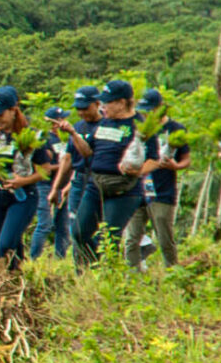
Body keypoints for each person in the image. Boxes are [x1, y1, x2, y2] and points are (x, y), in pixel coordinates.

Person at [77, 80, 146, 265]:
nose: (103, 106)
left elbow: (153, 158)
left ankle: (108, 277)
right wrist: (72, 134)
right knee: (79, 231)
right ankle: (93, 268)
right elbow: (88, 150)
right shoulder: (104, 122)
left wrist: (138, 170)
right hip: (96, 184)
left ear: (122, 103)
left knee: (109, 238)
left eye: (107, 102)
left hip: (123, 190)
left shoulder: (139, 124)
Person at [0, 86, 40, 272]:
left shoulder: (29, 135)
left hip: (22, 195)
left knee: (5, 243)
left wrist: (22, 181)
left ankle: (14, 274)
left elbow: (45, 169)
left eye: (0, 115)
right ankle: (0, 284)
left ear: (13, 111)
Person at [130, 89, 190, 270]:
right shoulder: (139, 127)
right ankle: (133, 275)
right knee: (132, 238)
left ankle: (171, 272)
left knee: (164, 237)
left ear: (161, 108)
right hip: (137, 189)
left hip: (163, 190)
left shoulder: (176, 129)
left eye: (150, 110)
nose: (146, 114)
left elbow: (186, 159)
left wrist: (175, 166)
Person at [56, 85, 103, 264]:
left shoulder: (104, 126)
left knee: (94, 227)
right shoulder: (78, 125)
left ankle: (97, 264)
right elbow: (68, 158)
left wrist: (73, 134)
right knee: (75, 228)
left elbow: (87, 152)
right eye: (78, 109)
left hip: (96, 181)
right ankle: (81, 269)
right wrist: (57, 187)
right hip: (78, 180)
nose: (81, 112)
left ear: (97, 104)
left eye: (85, 108)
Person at [29, 106, 74, 261]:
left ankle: (60, 258)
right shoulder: (44, 139)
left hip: (62, 184)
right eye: (59, 119)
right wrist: (63, 165)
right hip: (45, 185)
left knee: (63, 225)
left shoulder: (64, 138)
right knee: (45, 224)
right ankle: (34, 259)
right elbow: (44, 166)